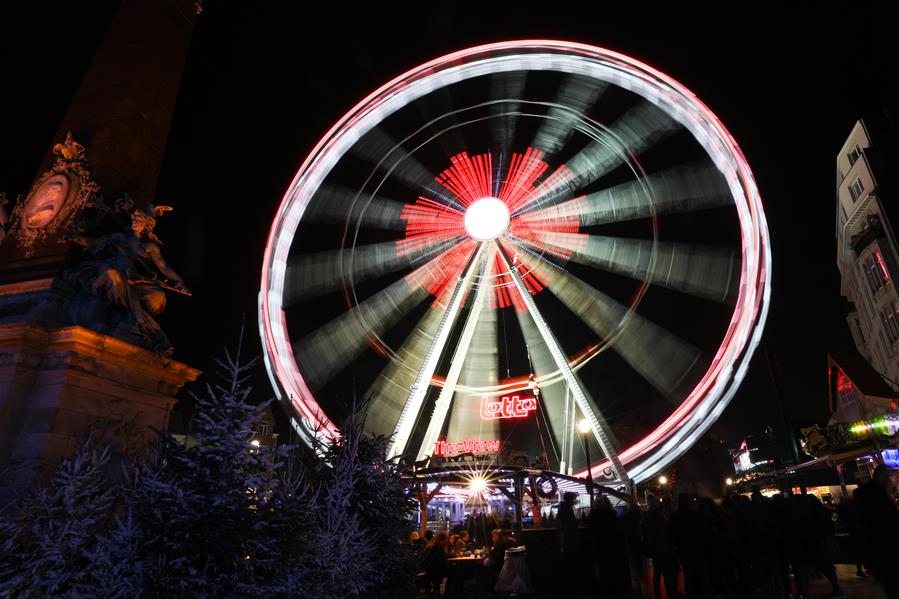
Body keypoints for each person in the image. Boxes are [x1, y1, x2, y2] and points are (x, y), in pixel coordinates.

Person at [856, 465, 899, 596]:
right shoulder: (879, 495)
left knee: (890, 585)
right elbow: (890, 521)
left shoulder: (866, 494)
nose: (890, 481)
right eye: (888, 477)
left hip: (876, 548)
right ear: (882, 477)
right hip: (887, 547)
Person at [643, 495, 678, 599]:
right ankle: (671, 593)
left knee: (657, 573)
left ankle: (658, 595)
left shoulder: (648, 517)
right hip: (663, 548)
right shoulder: (661, 517)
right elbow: (666, 532)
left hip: (655, 549)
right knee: (667, 574)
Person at [421, 531, 450, 596]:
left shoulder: (432, 545)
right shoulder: (439, 547)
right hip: (435, 570)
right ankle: (447, 592)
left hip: (428, 568)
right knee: (452, 572)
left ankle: (437, 590)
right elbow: (443, 558)